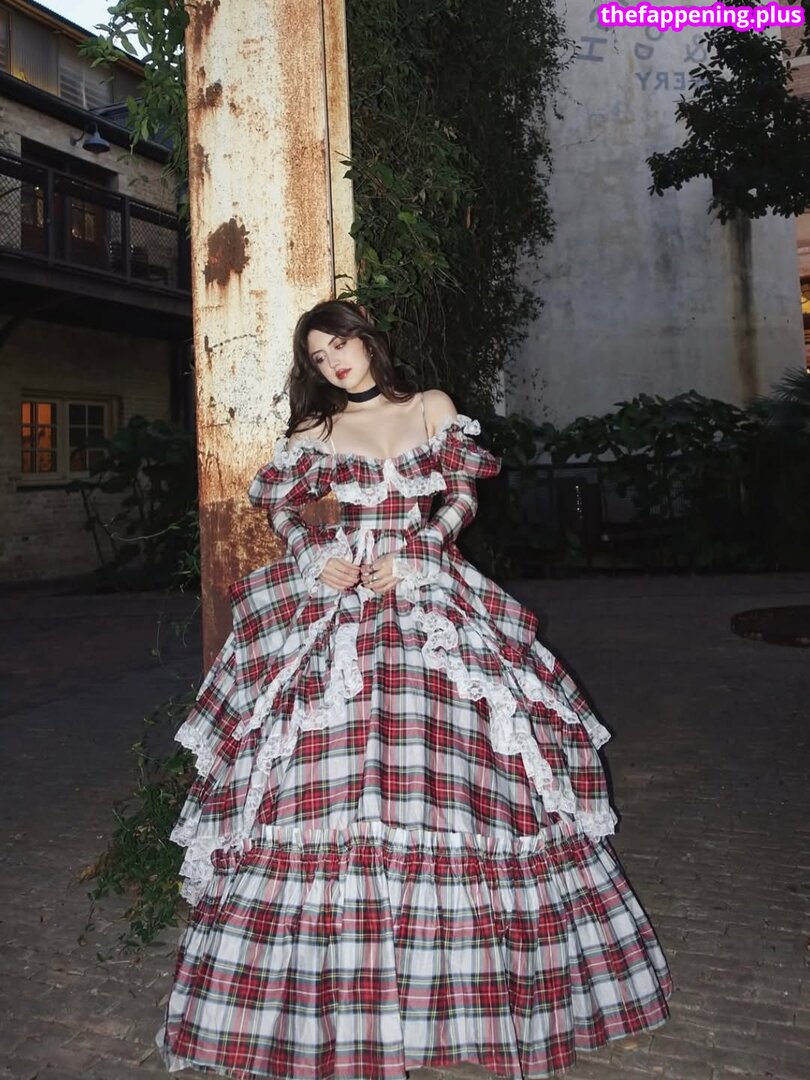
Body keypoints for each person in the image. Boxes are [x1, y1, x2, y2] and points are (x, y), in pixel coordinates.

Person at [155, 300, 672, 1079]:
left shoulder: (431, 406)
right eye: (318, 354)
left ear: (368, 339)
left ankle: (462, 994)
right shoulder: (317, 428)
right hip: (343, 598)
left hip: (424, 589)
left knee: (460, 774)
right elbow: (282, 507)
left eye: (341, 342)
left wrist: (420, 550)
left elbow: (462, 496)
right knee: (320, 777)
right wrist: (315, 554)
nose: (334, 360)